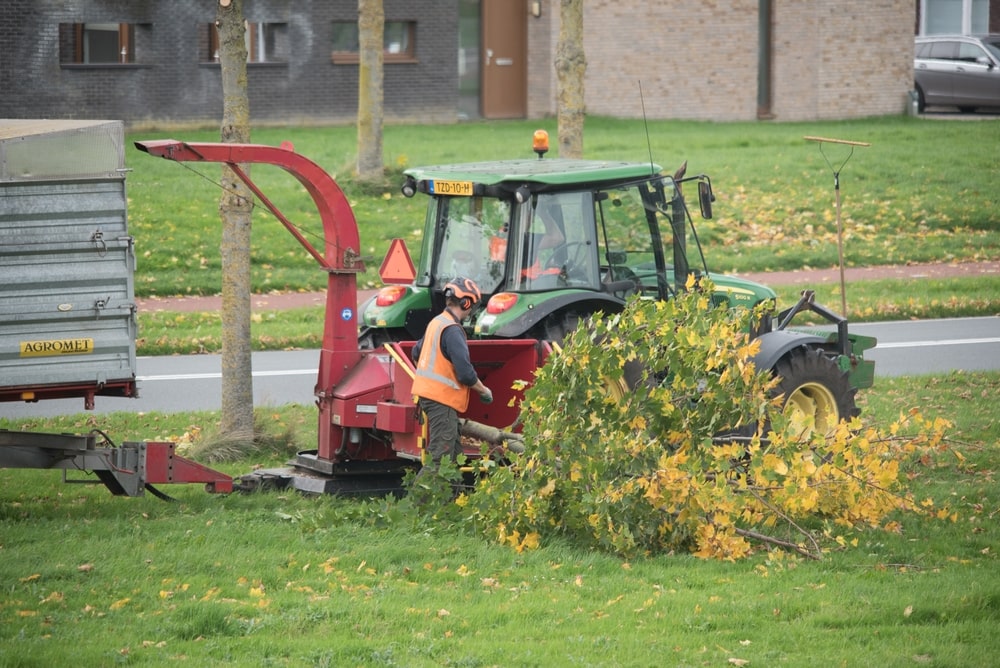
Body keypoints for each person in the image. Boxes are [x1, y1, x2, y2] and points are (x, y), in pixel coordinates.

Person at [410, 277, 493, 479]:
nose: (471, 310)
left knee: (453, 458)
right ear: (466, 303)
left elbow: (415, 352)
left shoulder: (437, 322)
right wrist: (484, 391)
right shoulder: (453, 330)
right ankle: (412, 508)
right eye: (472, 306)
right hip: (441, 400)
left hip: (431, 398)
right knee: (440, 458)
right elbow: (465, 372)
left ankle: (452, 504)